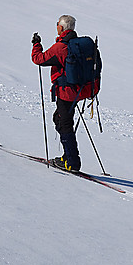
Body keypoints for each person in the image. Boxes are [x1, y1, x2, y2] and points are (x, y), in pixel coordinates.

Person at [31, 15, 93, 172]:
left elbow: (39, 59)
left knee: (64, 123)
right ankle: (68, 157)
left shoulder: (60, 47)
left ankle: (72, 162)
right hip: (79, 91)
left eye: (57, 24)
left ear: (62, 28)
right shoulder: (78, 45)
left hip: (66, 93)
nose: (56, 26)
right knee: (60, 119)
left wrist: (36, 44)